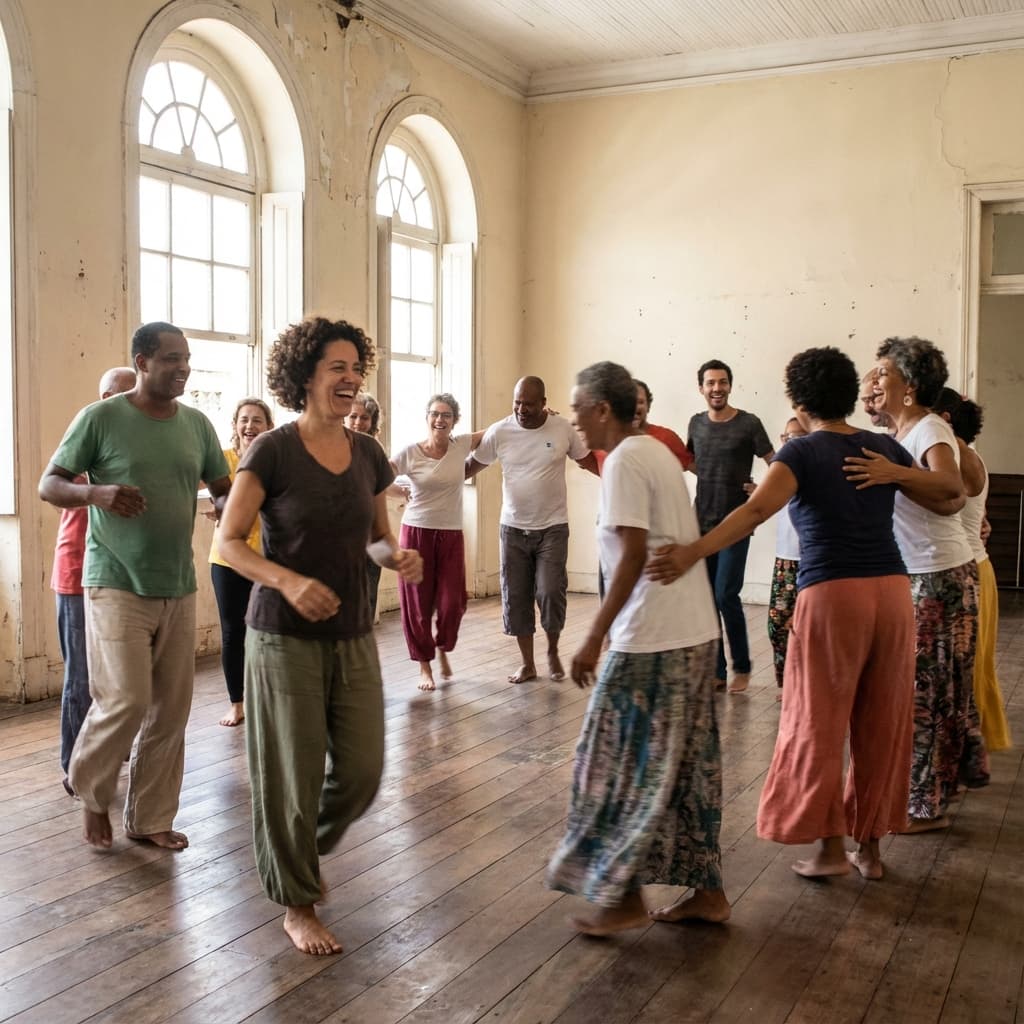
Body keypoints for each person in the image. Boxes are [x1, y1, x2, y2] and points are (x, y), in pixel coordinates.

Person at [651, 346, 917, 881]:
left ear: (799, 399)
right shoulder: (885, 447)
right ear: (848, 395)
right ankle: (870, 851)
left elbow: (753, 511)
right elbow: (946, 495)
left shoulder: (801, 452)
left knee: (818, 720)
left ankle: (829, 850)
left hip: (833, 595)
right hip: (892, 593)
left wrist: (693, 550)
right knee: (882, 722)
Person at [217, 316, 422, 957]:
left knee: (361, 771)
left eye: (356, 367)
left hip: (353, 629)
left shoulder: (368, 454)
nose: (351, 378)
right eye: (338, 367)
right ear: (305, 376)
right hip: (283, 637)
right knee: (292, 777)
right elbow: (228, 542)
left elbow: (377, 536)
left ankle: (297, 852)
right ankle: (297, 902)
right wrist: (287, 581)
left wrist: (395, 557)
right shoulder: (272, 451)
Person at [546, 361, 728, 933]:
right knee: (688, 768)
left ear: (603, 409)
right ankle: (708, 893)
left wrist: (593, 635)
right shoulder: (656, 451)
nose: (574, 419)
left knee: (608, 764)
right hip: (694, 632)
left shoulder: (626, 458)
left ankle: (622, 896)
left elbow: (631, 556)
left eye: (578, 408)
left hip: (653, 637)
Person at [39, 322, 232, 850]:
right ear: (142, 362)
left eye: (186, 358)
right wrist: (96, 494)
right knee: (124, 697)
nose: (183, 367)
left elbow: (222, 486)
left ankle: (149, 818)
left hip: (178, 583)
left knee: (171, 709)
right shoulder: (100, 418)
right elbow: (49, 484)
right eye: (172, 358)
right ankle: (91, 790)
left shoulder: (196, 425)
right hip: (115, 580)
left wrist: (227, 507)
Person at [847, 336, 987, 832]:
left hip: (938, 577)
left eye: (884, 372)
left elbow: (951, 486)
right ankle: (939, 787)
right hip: (927, 574)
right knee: (934, 691)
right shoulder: (904, 431)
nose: (875, 380)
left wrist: (890, 472)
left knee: (925, 695)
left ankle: (924, 804)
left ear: (909, 386)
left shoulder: (928, 427)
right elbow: (943, 500)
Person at [466, 376, 598, 684]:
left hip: (553, 527)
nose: (521, 409)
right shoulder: (500, 431)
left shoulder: (562, 428)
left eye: (528, 404)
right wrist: (433, 482)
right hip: (513, 529)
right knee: (516, 597)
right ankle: (528, 664)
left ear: (543, 403)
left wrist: (622, 479)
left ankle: (552, 650)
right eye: (517, 403)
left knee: (550, 590)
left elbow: (590, 461)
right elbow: (470, 466)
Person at [51, 365, 136, 796]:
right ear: (106, 398)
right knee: (81, 678)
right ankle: (75, 767)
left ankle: (107, 751)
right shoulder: (87, 436)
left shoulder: (134, 443)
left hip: (120, 576)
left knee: (118, 678)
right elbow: (53, 490)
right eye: (125, 393)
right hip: (76, 574)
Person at [686, 360, 774, 692]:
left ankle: (743, 666)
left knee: (725, 594)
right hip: (702, 523)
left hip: (737, 522)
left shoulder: (749, 423)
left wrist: (761, 490)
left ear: (730, 386)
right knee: (707, 598)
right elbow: (692, 461)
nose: (717, 388)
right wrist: (713, 475)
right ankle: (717, 671)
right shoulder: (696, 423)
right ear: (701, 388)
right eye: (710, 383)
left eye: (722, 382)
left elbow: (776, 461)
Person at [931, 391, 1011, 752]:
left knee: (969, 665)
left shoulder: (959, 455)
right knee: (968, 663)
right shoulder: (956, 454)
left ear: (944, 419)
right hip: (971, 566)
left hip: (969, 570)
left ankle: (968, 746)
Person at [391, 393, 483, 691]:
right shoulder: (410, 452)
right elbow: (378, 476)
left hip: (451, 533)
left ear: (455, 420)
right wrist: (398, 491)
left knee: (452, 602)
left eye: (446, 415)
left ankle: (442, 645)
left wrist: (537, 414)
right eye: (434, 414)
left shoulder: (461, 446)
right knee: (417, 604)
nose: (439, 419)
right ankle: (425, 666)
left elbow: (497, 431)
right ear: (427, 417)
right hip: (415, 532)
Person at [207, 397, 274, 727]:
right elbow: (191, 484)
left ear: (269, 426)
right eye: (244, 419)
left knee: (266, 632)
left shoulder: (275, 461)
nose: (250, 426)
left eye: (257, 420)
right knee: (233, 632)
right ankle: (237, 703)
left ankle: (265, 698)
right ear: (235, 425)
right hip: (226, 560)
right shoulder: (222, 460)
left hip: (266, 559)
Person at [766, 416, 806, 700]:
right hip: (785, 560)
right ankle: (788, 682)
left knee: (806, 627)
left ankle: (805, 683)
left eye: (798, 436)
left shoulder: (816, 466)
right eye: (787, 437)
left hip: (812, 561)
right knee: (778, 624)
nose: (792, 442)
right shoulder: (780, 470)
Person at [345, 393, 386, 621]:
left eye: (364, 418)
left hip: (370, 538)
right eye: (353, 416)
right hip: (339, 539)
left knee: (367, 602)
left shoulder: (375, 451)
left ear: (372, 422)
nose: (358, 422)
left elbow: (380, 488)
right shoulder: (329, 448)